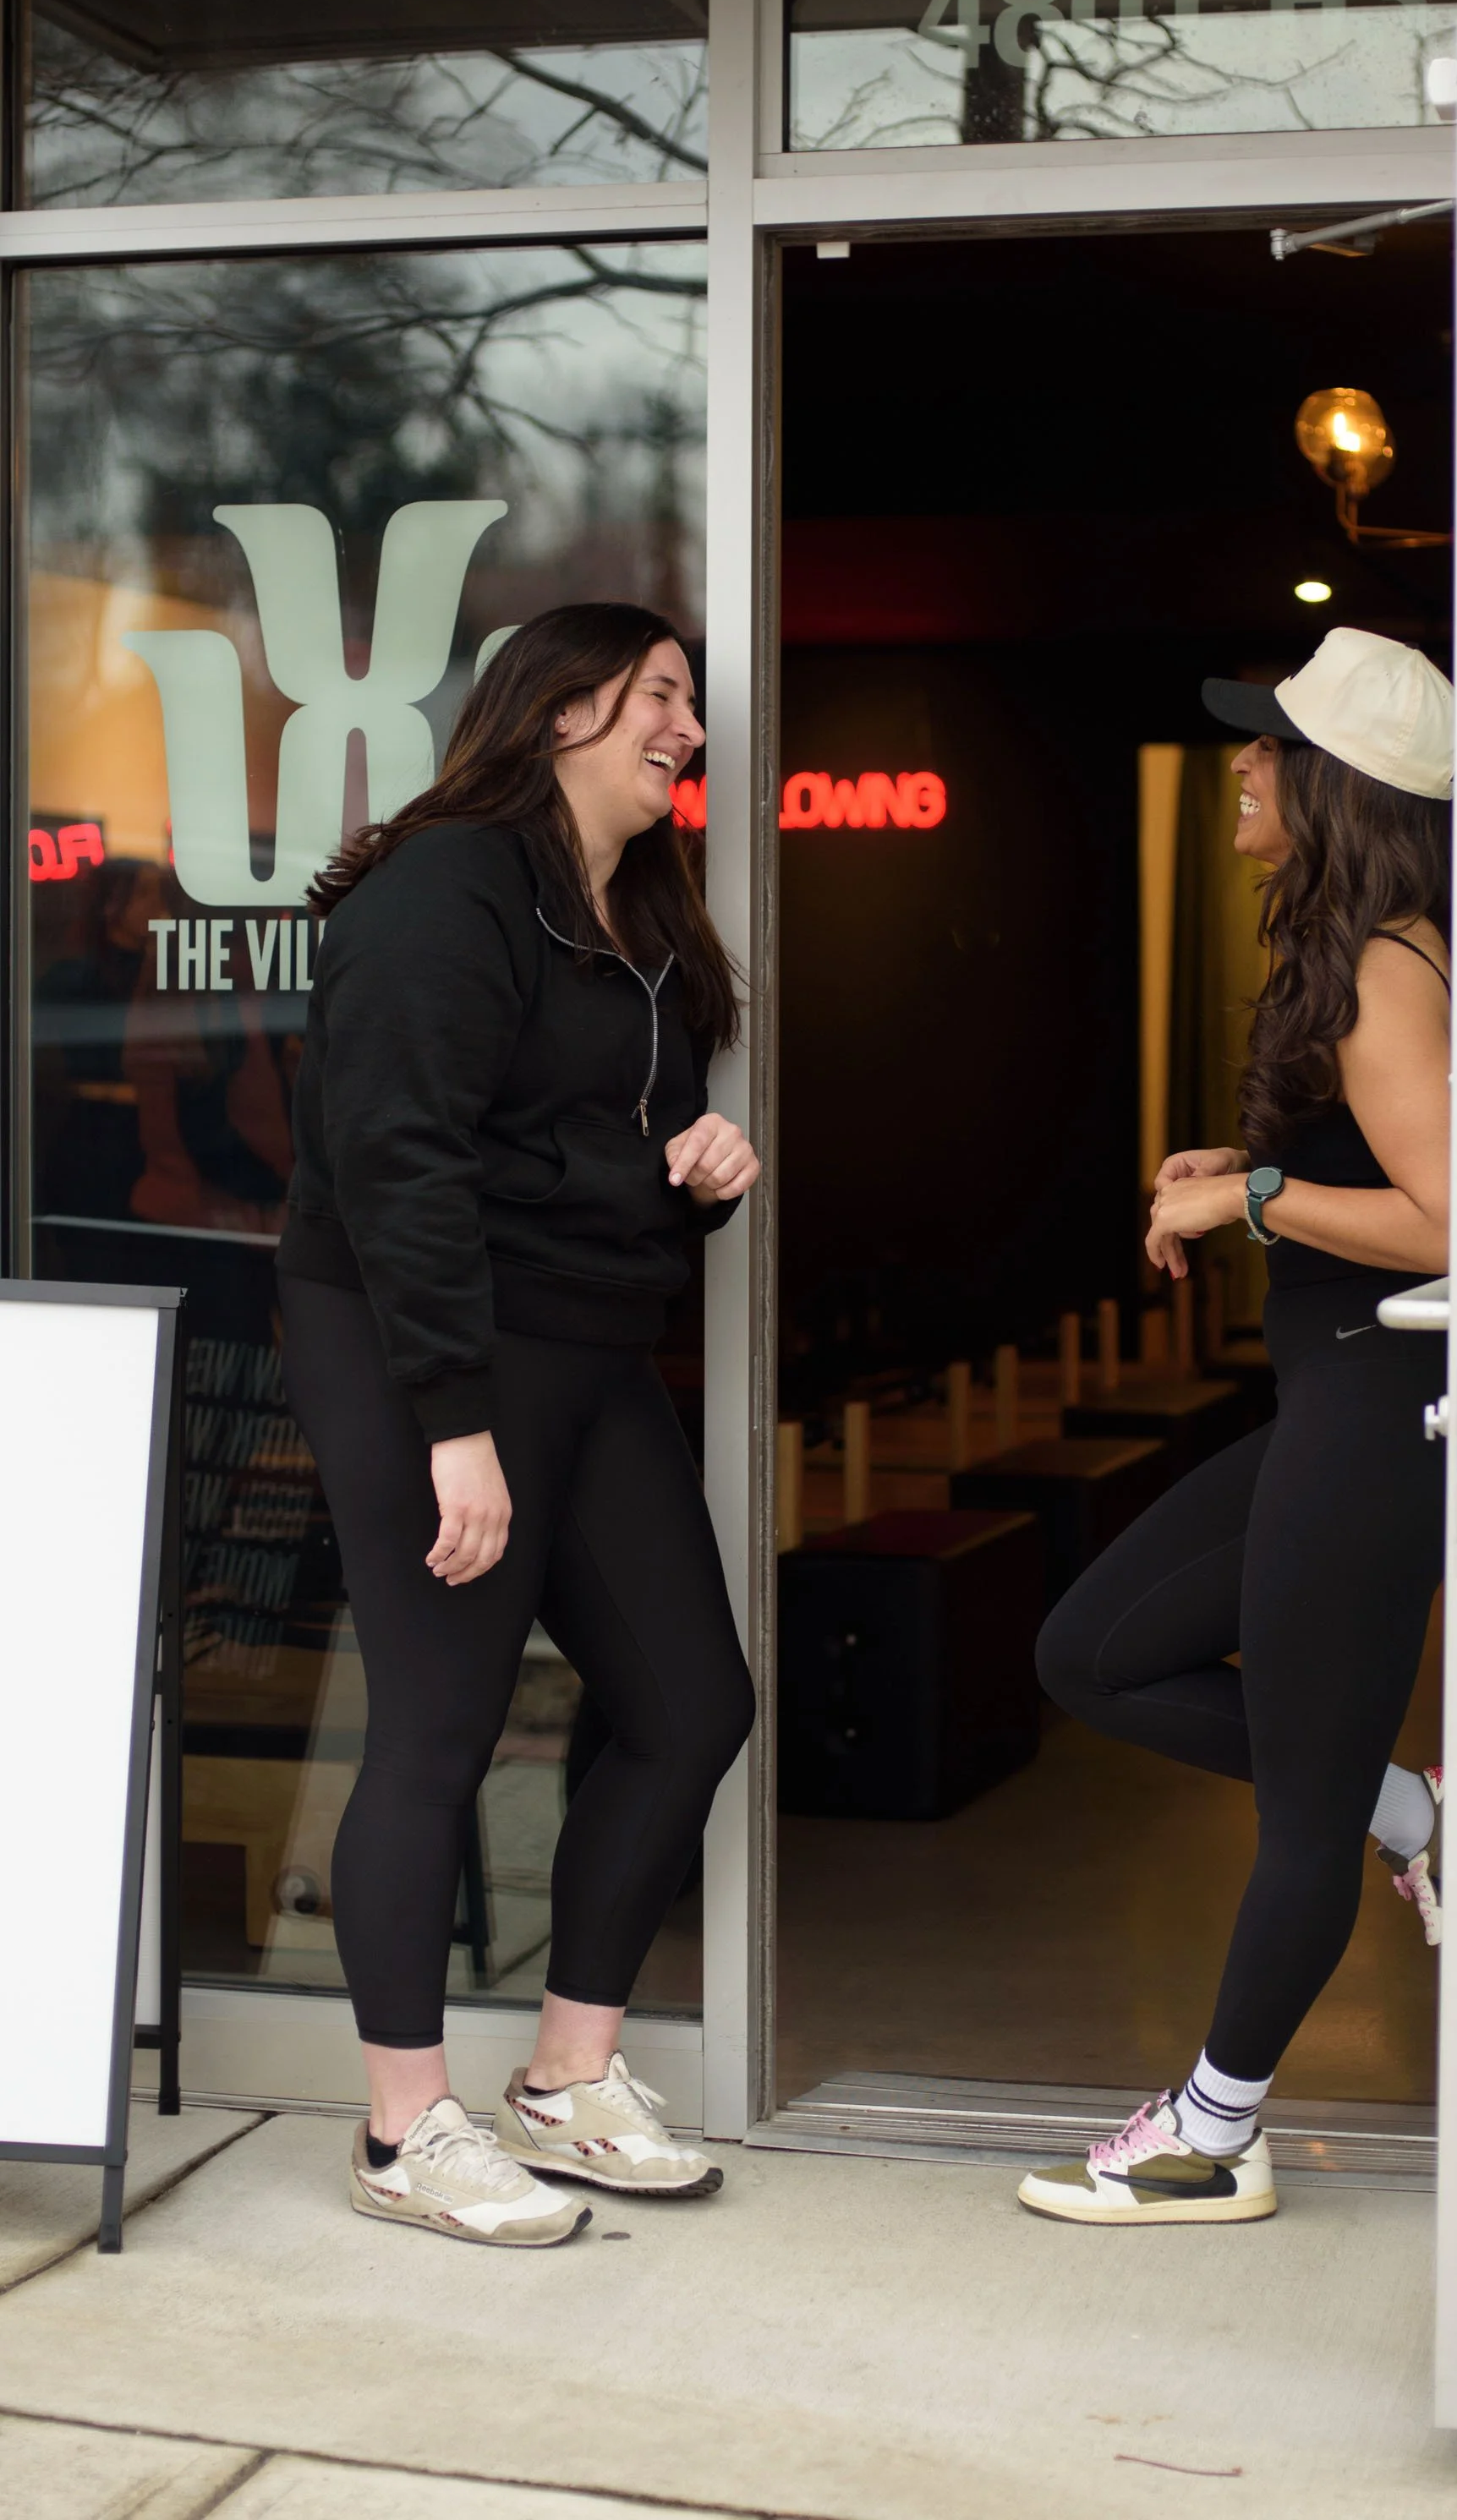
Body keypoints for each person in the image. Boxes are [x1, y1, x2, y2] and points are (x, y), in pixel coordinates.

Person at [277, 603, 759, 2247]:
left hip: (585, 1346)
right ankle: (406, 2127)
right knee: (439, 1721)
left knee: (692, 1700)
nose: (689, 727)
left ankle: (565, 2079)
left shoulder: (642, 915)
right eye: (663, 695)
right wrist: (451, 1425)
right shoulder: (447, 889)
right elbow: (397, 1165)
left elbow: (586, 1142)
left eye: (691, 702)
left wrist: (694, 1168)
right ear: (561, 711)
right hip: (424, 1343)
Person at [1020, 628, 1452, 2228]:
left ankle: (1214, 2131)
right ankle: (1415, 1814)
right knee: (1090, 1652)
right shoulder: (1370, 951)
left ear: (1336, 783)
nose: (1243, 764)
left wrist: (1257, 1195)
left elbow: (1455, 1219)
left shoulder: (1384, 965)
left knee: (1297, 1807)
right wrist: (1252, 1165)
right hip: (1330, 1404)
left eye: (1268, 745)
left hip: (1380, 1412)